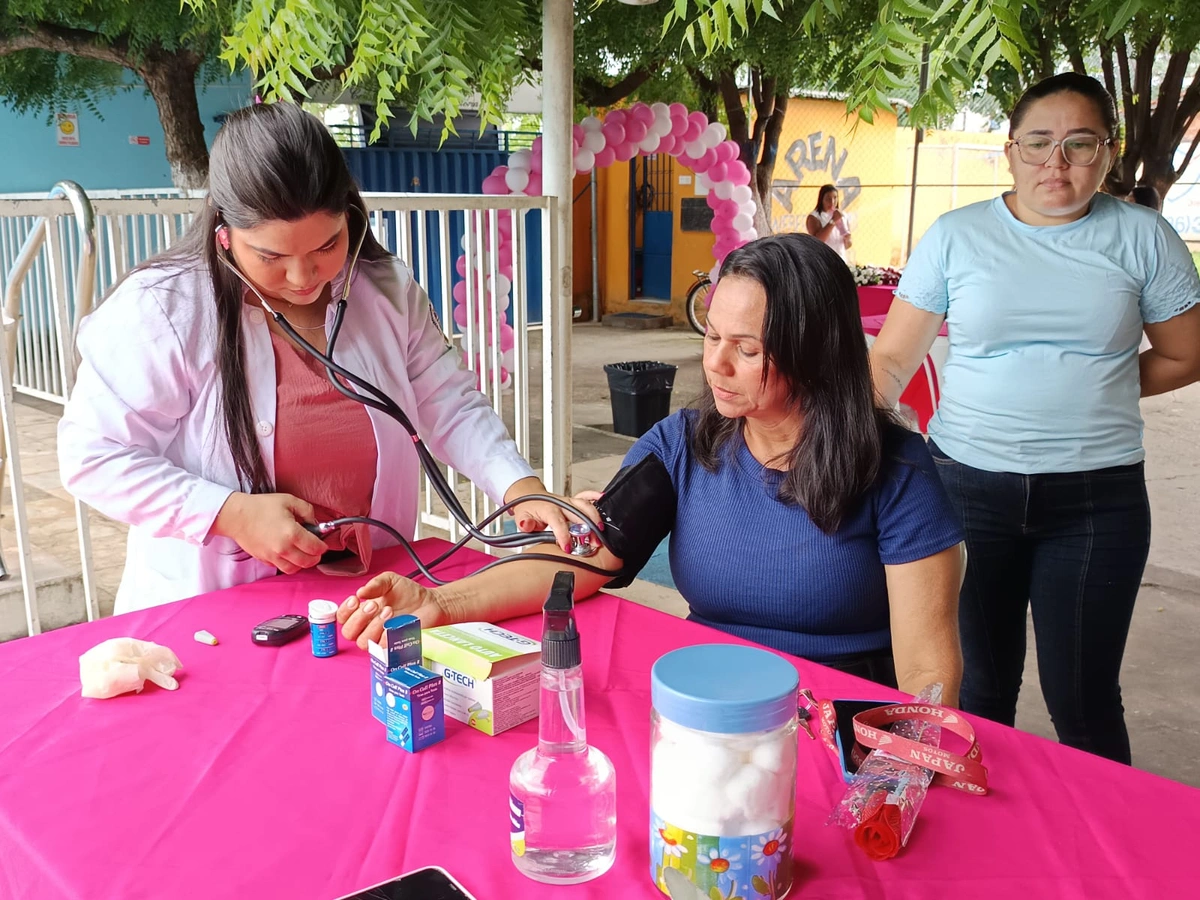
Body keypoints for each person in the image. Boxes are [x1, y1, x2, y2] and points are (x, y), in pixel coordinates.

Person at [338, 234, 967, 702]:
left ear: (816, 351)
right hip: (705, 706)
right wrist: (439, 601)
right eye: (711, 335)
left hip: (836, 722)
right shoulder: (683, 444)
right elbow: (582, 558)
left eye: (747, 349)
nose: (714, 364)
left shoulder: (896, 472)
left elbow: (925, 675)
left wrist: (894, 774)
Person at [58, 102, 588, 613]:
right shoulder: (163, 309)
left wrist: (518, 486)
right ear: (224, 238)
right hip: (216, 608)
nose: (304, 278)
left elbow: (446, 402)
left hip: (366, 591)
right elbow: (92, 455)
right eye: (271, 257)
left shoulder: (384, 290)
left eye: (326, 246)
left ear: (349, 219)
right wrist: (228, 513)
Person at [868, 72, 1200, 764]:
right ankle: (990, 847)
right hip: (964, 491)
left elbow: (1184, 354)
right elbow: (893, 359)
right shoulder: (958, 236)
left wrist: (1094, 386)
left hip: (1095, 502)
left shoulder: (1143, 237)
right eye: (1039, 143)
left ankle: (1106, 860)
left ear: (1108, 152)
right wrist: (836, 431)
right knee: (979, 688)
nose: (1058, 163)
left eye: (1080, 144)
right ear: (1010, 151)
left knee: (1082, 697)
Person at [805, 184, 852, 260]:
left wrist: (847, 238)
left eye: (835, 198)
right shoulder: (814, 217)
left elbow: (848, 245)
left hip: (840, 259)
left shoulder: (842, 215)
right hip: (824, 260)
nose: (832, 202)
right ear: (821, 199)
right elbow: (818, 241)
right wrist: (833, 221)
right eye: (828, 199)